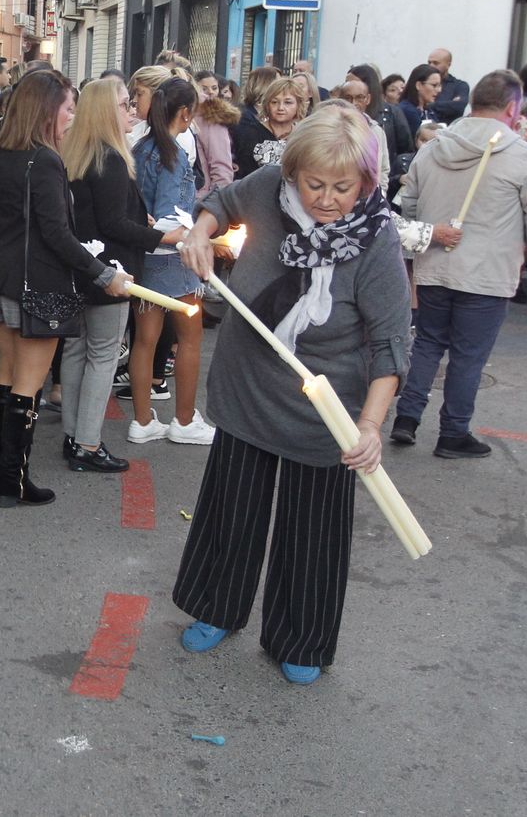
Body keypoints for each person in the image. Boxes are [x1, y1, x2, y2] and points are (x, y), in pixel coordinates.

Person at [173, 105, 409, 685]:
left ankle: (300, 637)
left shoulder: (375, 240)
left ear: (368, 182)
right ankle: (216, 608)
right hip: (249, 382)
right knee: (233, 508)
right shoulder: (268, 187)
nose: (327, 199)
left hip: (328, 406)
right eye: (314, 184)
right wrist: (200, 234)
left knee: (314, 528)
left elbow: (390, 346)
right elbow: (219, 203)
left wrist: (372, 428)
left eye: (344, 187)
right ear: (293, 173)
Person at [0, 69, 130, 507]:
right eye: (67, 109)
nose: (71, 118)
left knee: (7, 374)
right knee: (28, 382)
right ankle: (13, 482)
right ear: (47, 110)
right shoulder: (43, 160)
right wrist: (104, 274)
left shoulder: (2, 150)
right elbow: (57, 234)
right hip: (33, 284)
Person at [391, 71, 527, 457]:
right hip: (487, 271)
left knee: (428, 343)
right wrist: (521, 241)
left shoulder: (434, 146)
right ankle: (453, 433)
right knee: (469, 355)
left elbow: (410, 206)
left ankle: (407, 418)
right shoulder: (521, 154)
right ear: (513, 107)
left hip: (434, 264)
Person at [58, 76, 161, 473]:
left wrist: (141, 218)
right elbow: (114, 223)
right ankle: (87, 443)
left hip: (82, 266)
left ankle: (74, 435)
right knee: (102, 356)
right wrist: (161, 235)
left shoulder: (77, 152)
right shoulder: (111, 158)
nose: (132, 110)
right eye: (124, 104)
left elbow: (94, 215)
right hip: (111, 271)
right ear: (107, 111)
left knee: (76, 351)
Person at [127, 79, 210, 445]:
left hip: (142, 254)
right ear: (185, 114)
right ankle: (184, 419)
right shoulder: (173, 154)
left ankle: (143, 420)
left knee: (144, 340)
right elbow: (171, 216)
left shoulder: (140, 147)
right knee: (190, 338)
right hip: (173, 257)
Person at [232, 76, 301, 179]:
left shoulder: (303, 136)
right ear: (266, 105)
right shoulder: (249, 133)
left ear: (298, 105)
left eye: (288, 102)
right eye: (274, 102)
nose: (280, 108)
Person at [192, 69, 237, 199]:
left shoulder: (210, 118)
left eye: (214, 88)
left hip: (202, 196)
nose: (211, 92)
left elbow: (221, 165)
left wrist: (215, 202)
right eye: (204, 88)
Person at [396, 63, 443, 136]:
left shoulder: (428, 111)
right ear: (418, 85)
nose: (439, 90)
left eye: (439, 85)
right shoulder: (406, 110)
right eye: (434, 85)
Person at [427, 49, 470, 123]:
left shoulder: (460, 86)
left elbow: (458, 107)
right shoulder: (422, 83)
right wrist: (447, 104)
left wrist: (428, 105)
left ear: (448, 65)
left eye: (435, 63)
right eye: (429, 62)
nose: (431, 66)